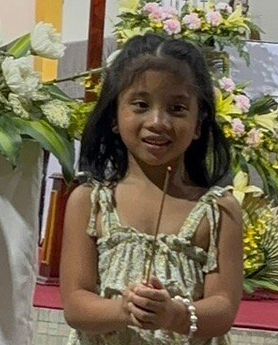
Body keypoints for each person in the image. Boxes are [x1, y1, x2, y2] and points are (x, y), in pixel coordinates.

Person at [61, 34, 243, 344]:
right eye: (141, 105)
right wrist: (124, 309)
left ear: (199, 123)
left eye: (176, 108)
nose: (158, 122)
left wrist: (174, 314)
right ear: (115, 116)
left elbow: (223, 309)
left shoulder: (218, 211)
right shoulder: (90, 203)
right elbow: (76, 304)